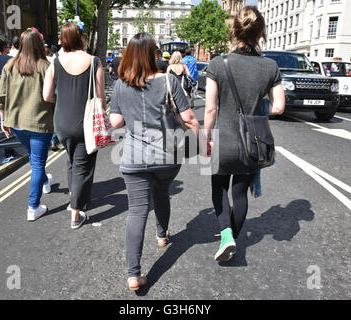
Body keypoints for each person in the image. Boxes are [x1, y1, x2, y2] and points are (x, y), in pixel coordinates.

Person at [109, 32, 201, 291]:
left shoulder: (119, 85)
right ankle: (162, 236)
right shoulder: (170, 81)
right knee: (162, 193)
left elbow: (115, 123)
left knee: (137, 211)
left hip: (134, 159)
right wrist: (204, 143)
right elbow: (190, 119)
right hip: (167, 156)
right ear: (154, 55)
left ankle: (133, 275)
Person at [204, 6, 285, 262]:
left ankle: (226, 236)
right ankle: (232, 237)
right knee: (239, 193)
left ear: (234, 31)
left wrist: (206, 137)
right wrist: (258, 108)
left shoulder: (218, 63)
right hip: (251, 143)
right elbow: (279, 107)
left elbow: (210, 108)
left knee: (219, 190)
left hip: (223, 141)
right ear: (260, 32)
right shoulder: (270, 67)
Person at [43, 21, 106, 230]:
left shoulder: (55, 62)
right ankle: (76, 213)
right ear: (81, 37)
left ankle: (74, 193)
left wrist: (63, 101)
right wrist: (103, 116)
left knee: (71, 160)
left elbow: (47, 95)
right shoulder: (94, 61)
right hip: (84, 123)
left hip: (61, 122)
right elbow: (100, 96)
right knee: (83, 166)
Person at [0, 28, 54, 221]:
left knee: (35, 158)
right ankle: (33, 207)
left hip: (16, 123)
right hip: (39, 122)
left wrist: (3, 119)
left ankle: (45, 182)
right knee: (38, 163)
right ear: (39, 45)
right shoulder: (46, 67)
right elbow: (55, 96)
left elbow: (1, 95)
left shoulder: (10, 65)